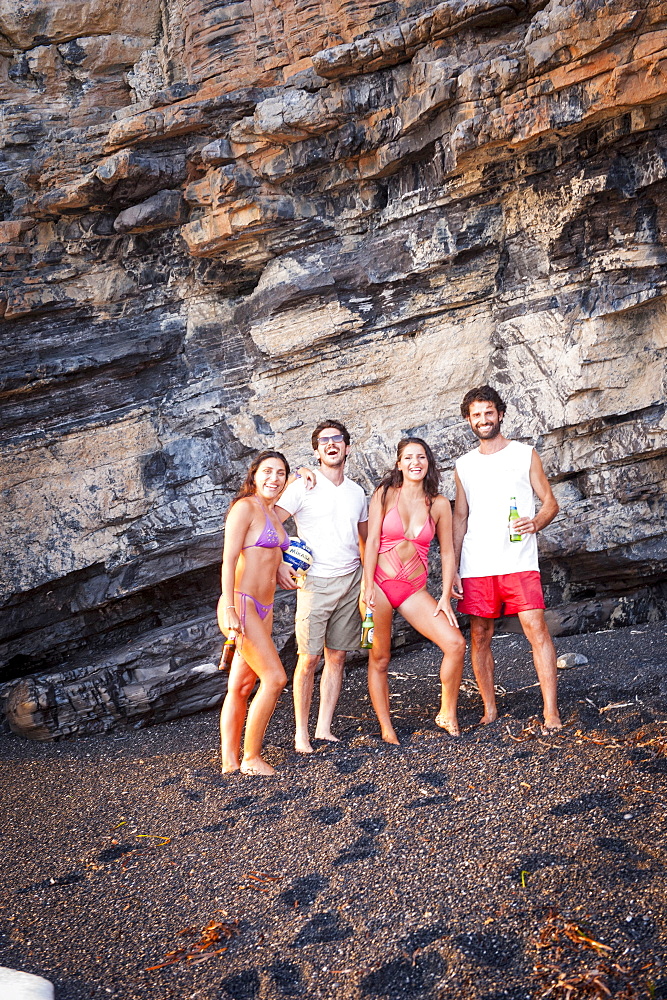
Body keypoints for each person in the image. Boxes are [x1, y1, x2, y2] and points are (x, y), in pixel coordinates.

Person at [452, 385, 563, 732]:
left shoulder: (524, 454)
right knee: (481, 635)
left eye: (488, 413)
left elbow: (550, 503)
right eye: (476, 415)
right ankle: (490, 708)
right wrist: (453, 569)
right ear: (469, 421)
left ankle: (550, 712)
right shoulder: (464, 465)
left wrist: (537, 521)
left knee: (536, 629)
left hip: (518, 560)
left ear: (500, 414)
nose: (483, 420)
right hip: (477, 563)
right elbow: (459, 517)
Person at [363, 437, 466, 744]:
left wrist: (446, 595)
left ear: (428, 463)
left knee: (455, 643)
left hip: (412, 590)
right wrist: (367, 586)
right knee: (379, 658)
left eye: (421, 457)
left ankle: (447, 712)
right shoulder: (384, 494)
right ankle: (386, 726)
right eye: (408, 458)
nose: (415, 463)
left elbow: (447, 551)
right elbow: (370, 542)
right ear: (399, 463)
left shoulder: (437, 504)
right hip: (379, 586)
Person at [276, 420, 368, 754]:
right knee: (308, 659)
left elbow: (365, 540)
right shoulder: (303, 486)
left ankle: (324, 727)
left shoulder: (357, 492)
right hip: (314, 583)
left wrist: (368, 582)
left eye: (337, 439)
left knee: (338, 656)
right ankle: (301, 733)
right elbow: (271, 518)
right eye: (324, 441)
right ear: (316, 451)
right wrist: (282, 560)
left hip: (351, 579)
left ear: (347, 446)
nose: (331, 444)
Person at [218, 451, 291, 776]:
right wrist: (230, 606)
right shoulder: (245, 507)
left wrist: (282, 569)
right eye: (268, 472)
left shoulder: (274, 512)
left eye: (280, 473)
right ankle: (251, 757)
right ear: (254, 474)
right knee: (275, 678)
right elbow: (229, 559)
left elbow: (266, 556)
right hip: (241, 604)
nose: (273, 478)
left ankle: (229, 761)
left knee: (241, 687)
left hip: (265, 609)